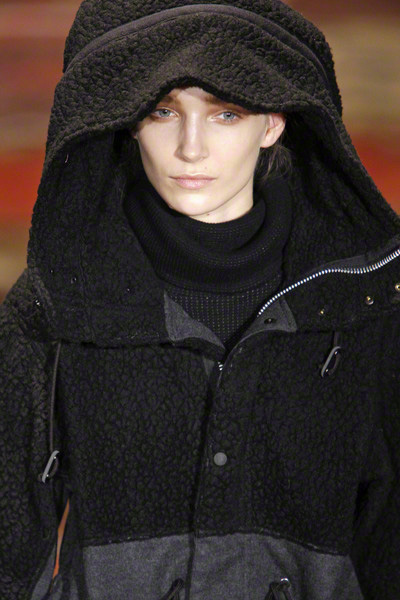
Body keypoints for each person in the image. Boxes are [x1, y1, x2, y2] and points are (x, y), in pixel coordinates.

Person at [0, 0, 399, 599]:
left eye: (225, 114)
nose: (190, 147)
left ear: (273, 124)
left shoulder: (363, 305)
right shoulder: (54, 308)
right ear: (129, 121)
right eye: (163, 112)